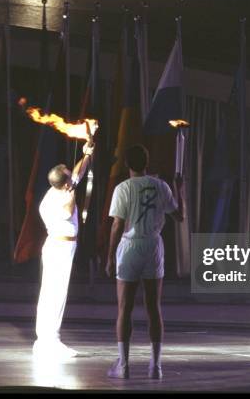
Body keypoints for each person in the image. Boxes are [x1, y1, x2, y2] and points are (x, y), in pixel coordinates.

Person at [105, 144, 184, 379]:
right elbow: (180, 217)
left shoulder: (123, 188)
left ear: (128, 165)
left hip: (130, 247)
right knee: (153, 308)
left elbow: (117, 224)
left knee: (124, 309)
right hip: (153, 246)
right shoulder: (162, 186)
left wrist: (109, 257)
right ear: (146, 162)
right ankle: (155, 367)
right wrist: (181, 190)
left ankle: (124, 365)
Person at [32, 133, 95, 360]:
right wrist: (72, 192)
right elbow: (69, 211)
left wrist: (86, 153)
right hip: (58, 249)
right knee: (54, 294)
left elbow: (78, 172)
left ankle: (45, 340)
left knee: (53, 293)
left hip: (63, 248)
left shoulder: (63, 189)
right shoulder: (54, 200)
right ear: (63, 183)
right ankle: (50, 341)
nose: (72, 179)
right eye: (69, 179)